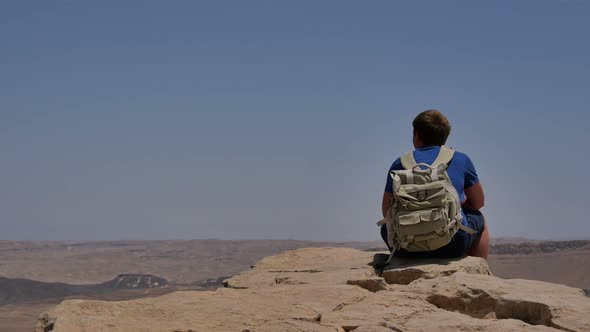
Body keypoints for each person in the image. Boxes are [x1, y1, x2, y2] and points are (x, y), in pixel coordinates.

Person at [381, 110, 489, 259]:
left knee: (386, 227)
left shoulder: (400, 163)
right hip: (451, 245)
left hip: (406, 247)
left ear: (417, 135)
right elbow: (478, 203)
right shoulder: (460, 159)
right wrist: (457, 204)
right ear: (444, 137)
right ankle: (481, 275)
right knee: (478, 218)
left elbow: (386, 210)